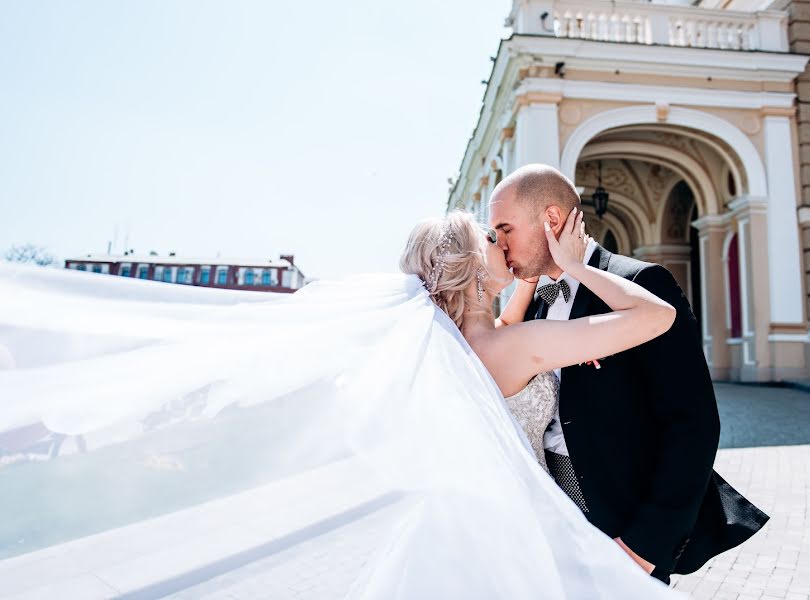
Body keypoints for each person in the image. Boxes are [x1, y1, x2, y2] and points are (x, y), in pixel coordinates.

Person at [0, 214, 685, 599]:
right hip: (509, 539)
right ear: (474, 271)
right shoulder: (520, 346)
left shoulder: (462, 345)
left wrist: (532, 282)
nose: (504, 245)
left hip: (448, 534)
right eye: (491, 239)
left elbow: (503, 329)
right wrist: (580, 260)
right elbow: (656, 316)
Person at [488, 164, 769, 584]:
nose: (500, 244)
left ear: (550, 219)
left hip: (625, 528)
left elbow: (693, 423)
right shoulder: (534, 302)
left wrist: (646, 544)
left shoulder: (642, 284)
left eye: (505, 228)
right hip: (550, 519)